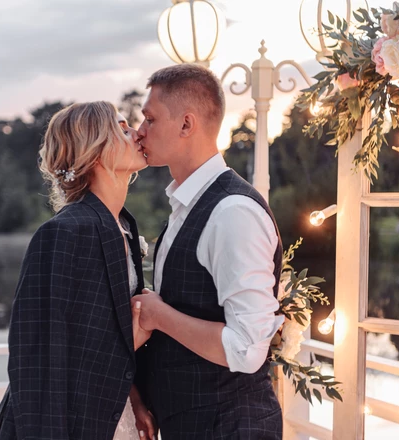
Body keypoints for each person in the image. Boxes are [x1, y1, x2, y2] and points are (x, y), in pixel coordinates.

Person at [0, 101, 157, 440]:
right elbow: (36, 360)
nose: (136, 133)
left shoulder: (123, 229)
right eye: (121, 129)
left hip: (110, 413)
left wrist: (134, 397)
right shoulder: (62, 234)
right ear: (94, 150)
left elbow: (100, 335)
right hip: (65, 424)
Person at [132, 64, 285, 439]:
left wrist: (158, 314)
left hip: (231, 428)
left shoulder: (232, 213)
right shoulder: (190, 205)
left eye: (150, 119)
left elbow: (247, 349)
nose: (140, 131)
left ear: (186, 125)